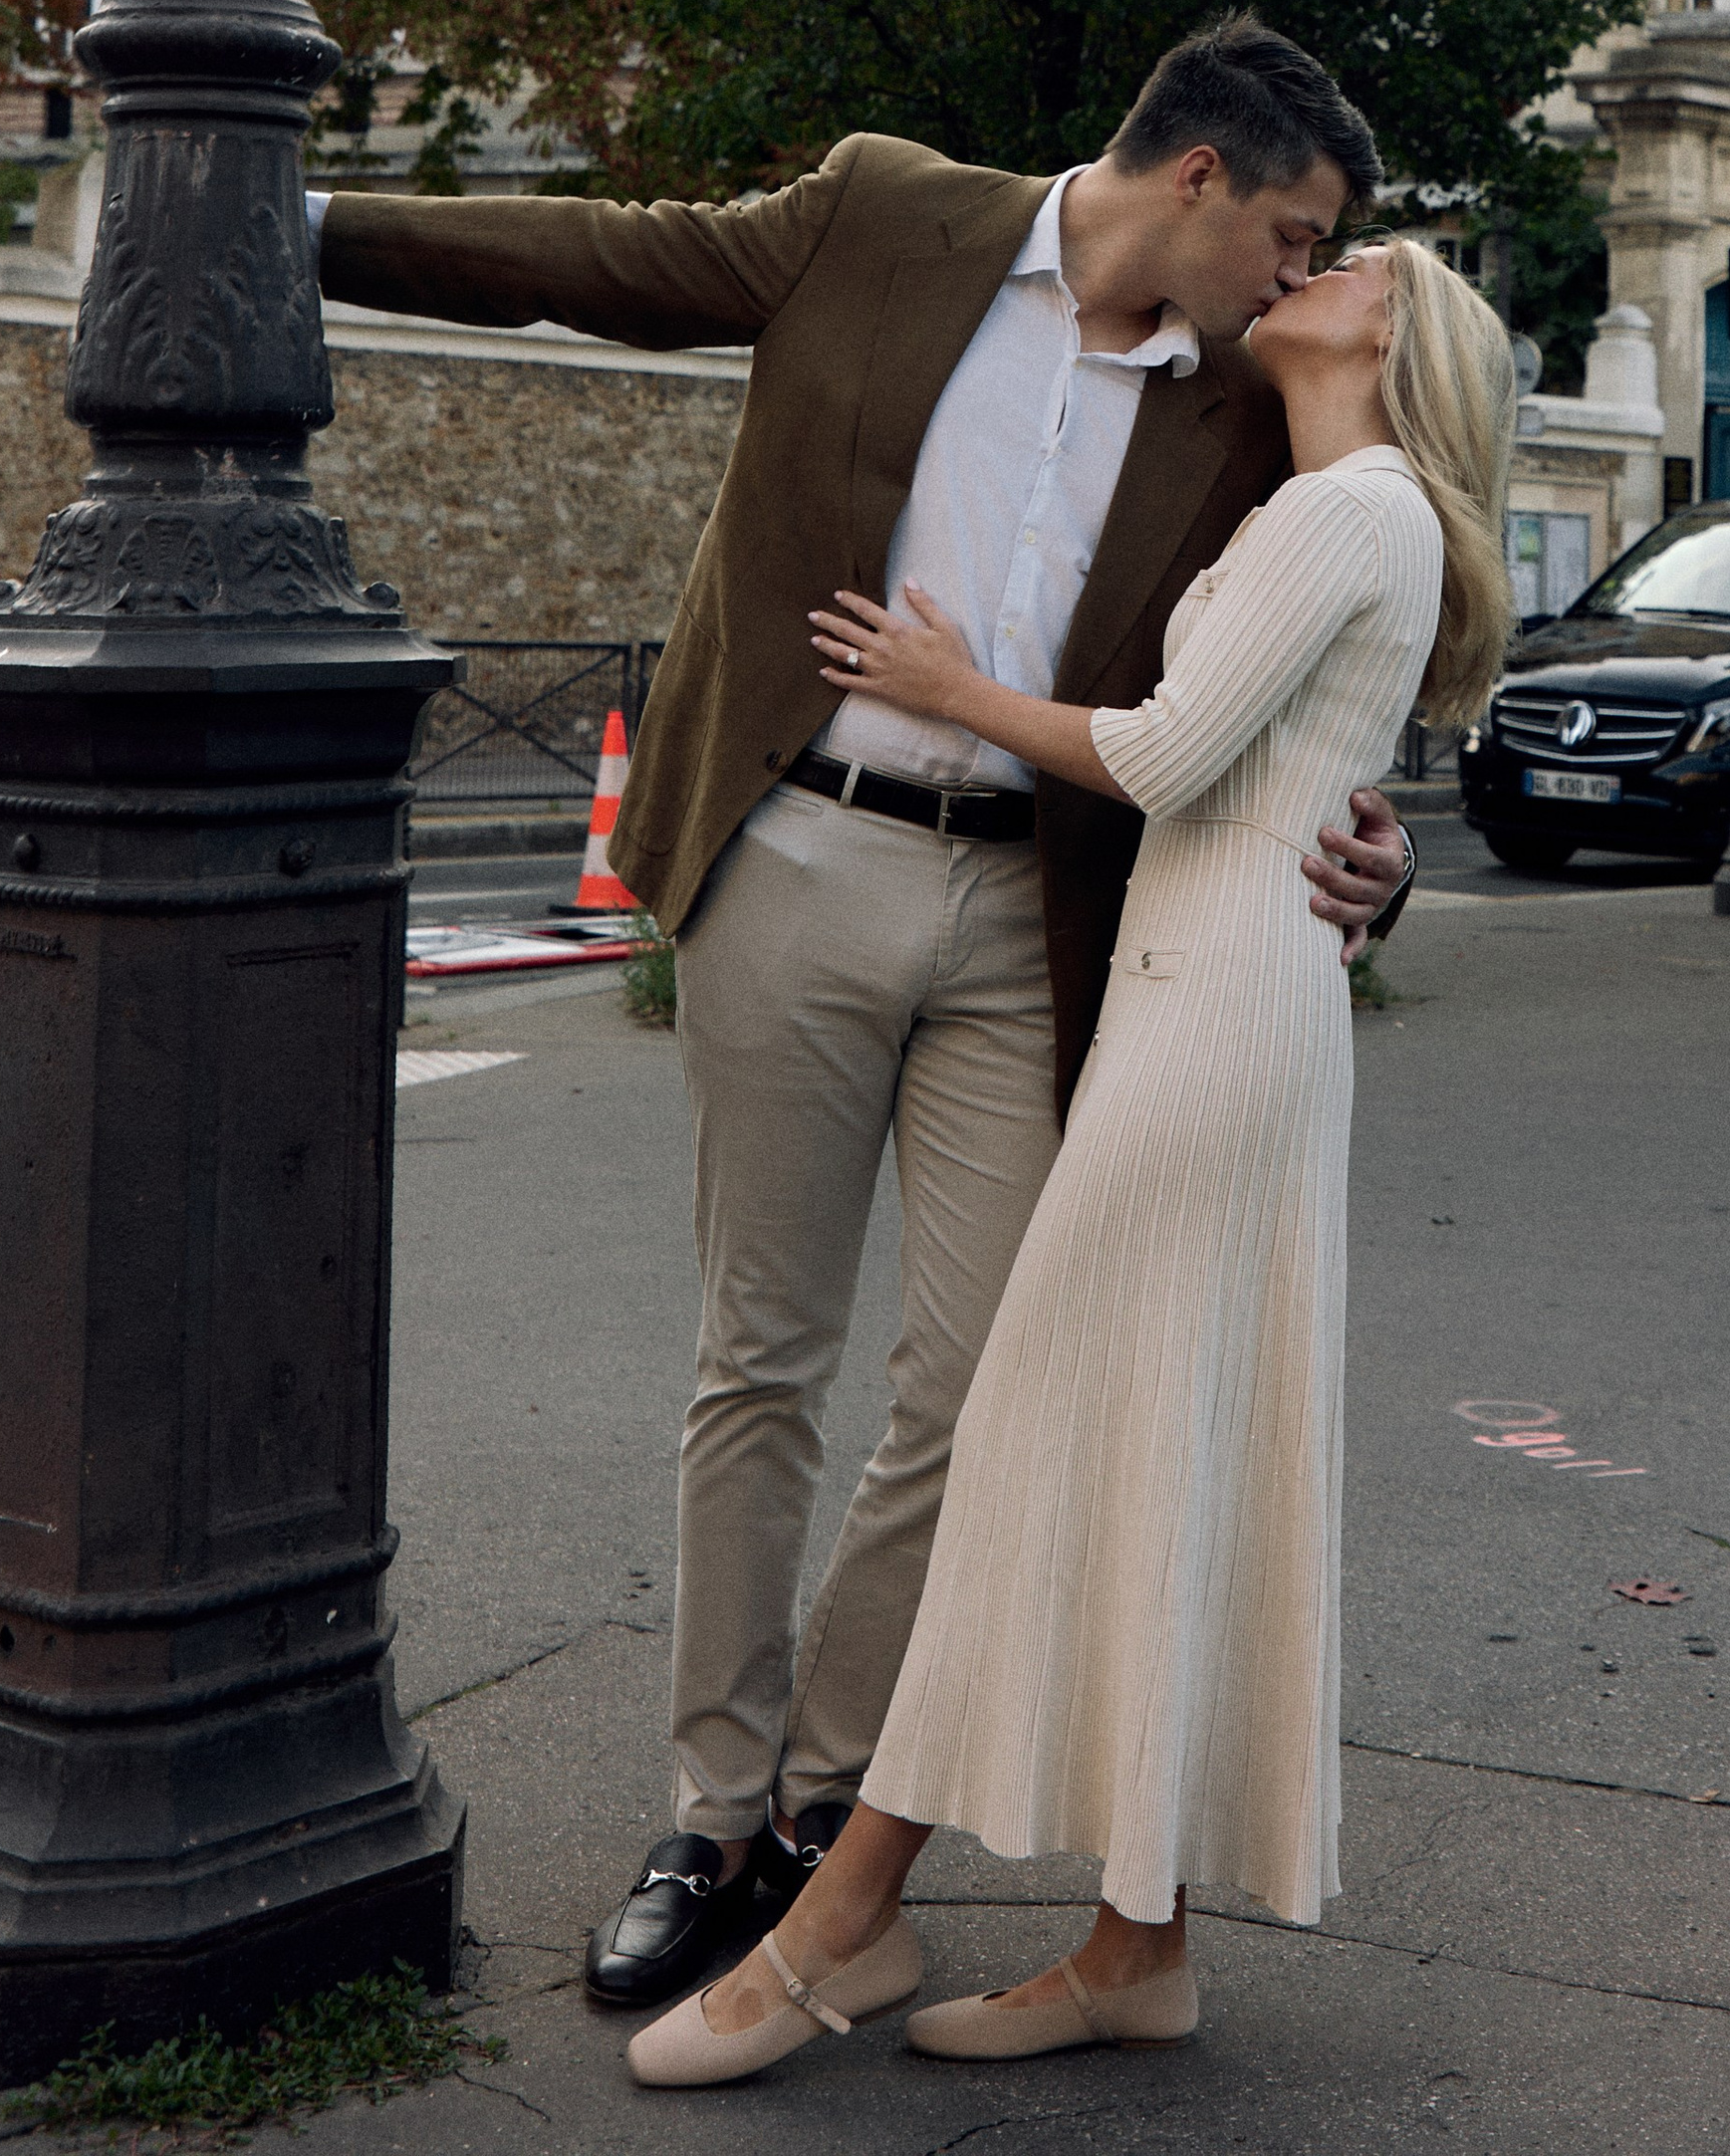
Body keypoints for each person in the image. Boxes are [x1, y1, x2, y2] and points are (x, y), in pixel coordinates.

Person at [308, 17, 1416, 2006]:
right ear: (1194, 176)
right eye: (1292, 229)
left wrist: (1372, 842)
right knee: (758, 1359)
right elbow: (609, 269)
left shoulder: (1250, 403)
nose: (1300, 278)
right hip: (797, 860)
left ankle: (836, 1821)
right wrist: (291, 224)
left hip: (1037, 914)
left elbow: (1345, 635)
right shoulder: (881, 214)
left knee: (977, 1387)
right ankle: (711, 1818)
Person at [623, 235, 1516, 2085]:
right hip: (1201, 984)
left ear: (1398, 334)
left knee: (1032, 1430)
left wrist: (945, 686)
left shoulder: (1352, 509)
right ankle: (1137, 1943)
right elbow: (1294, 759)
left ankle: (840, 1916)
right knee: (1160, 1458)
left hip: (1208, 1009)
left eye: (1353, 260)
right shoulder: (1314, 493)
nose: (1311, 260)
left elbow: (1178, 752)